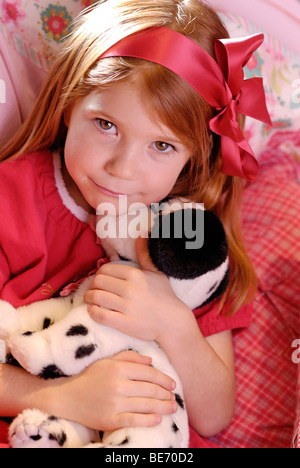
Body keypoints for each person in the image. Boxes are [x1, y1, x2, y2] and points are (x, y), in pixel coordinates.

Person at [0, 0, 271, 448]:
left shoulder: (190, 239)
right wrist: (65, 396)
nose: (122, 168)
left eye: (162, 146)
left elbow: (213, 415)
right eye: (106, 124)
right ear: (70, 103)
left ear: (196, 156)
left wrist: (173, 322)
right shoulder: (11, 198)